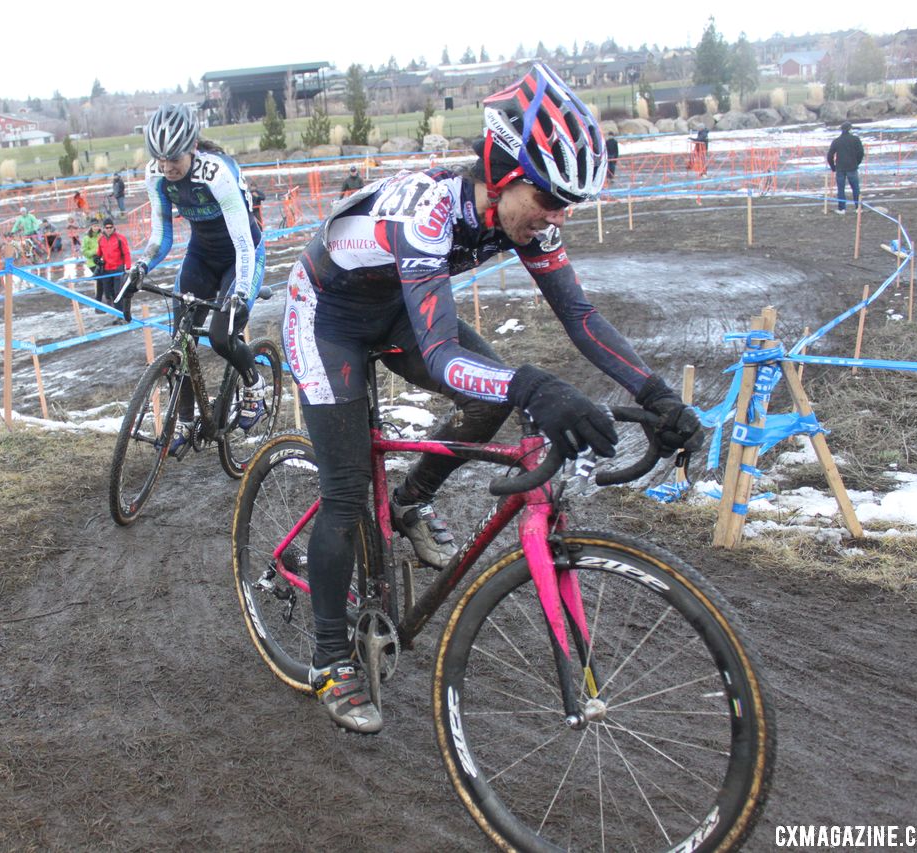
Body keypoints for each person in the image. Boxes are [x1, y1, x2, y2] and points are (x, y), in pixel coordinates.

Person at [281, 64, 704, 734]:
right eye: (550, 200)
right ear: (506, 174)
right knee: (344, 492)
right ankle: (330, 658)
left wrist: (657, 396)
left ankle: (414, 498)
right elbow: (444, 356)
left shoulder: (524, 217)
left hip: (393, 308)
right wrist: (535, 383)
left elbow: (581, 317)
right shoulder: (429, 210)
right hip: (326, 316)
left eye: (568, 205)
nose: (556, 217)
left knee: (491, 396)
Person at [122, 103, 268, 455]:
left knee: (221, 335)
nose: (167, 166)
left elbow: (244, 243)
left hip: (242, 255)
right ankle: (185, 423)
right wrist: (140, 267)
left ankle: (254, 384)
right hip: (201, 256)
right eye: (160, 158)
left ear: (192, 148)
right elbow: (162, 235)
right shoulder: (156, 176)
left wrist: (241, 292)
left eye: (174, 158)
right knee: (181, 339)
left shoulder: (216, 172)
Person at [94, 216, 131, 321]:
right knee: (108, 293)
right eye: (107, 227)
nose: (109, 229)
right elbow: (99, 254)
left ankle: (121, 315)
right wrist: (96, 259)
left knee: (118, 292)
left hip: (118, 269)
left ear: (114, 227)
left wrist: (128, 267)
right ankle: (117, 312)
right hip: (106, 270)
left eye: (110, 227)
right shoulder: (101, 239)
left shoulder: (120, 238)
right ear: (104, 228)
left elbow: (126, 253)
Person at [827, 121, 864, 214]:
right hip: (852, 167)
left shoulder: (836, 141)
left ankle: (842, 209)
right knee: (855, 188)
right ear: (850, 129)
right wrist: (857, 162)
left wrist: (833, 167)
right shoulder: (855, 139)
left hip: (840, 168)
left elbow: (829, 155)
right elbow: (861, 153)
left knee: (840, 189)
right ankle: (858, 208)